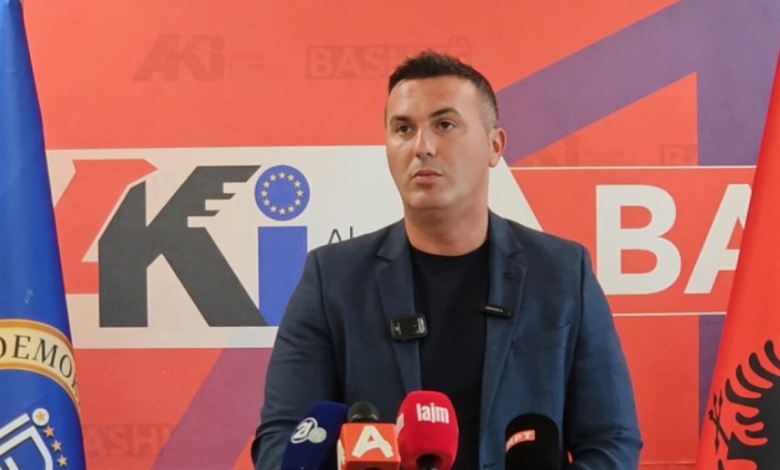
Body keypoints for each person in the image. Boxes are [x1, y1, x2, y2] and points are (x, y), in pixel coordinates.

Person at [252, 51, 643, 470]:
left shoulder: (564, 273)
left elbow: (612, 442)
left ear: (494, 145)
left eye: (445, 125)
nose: (422, 146)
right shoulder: (332, 279)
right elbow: (283, 440)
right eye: (403, 128)